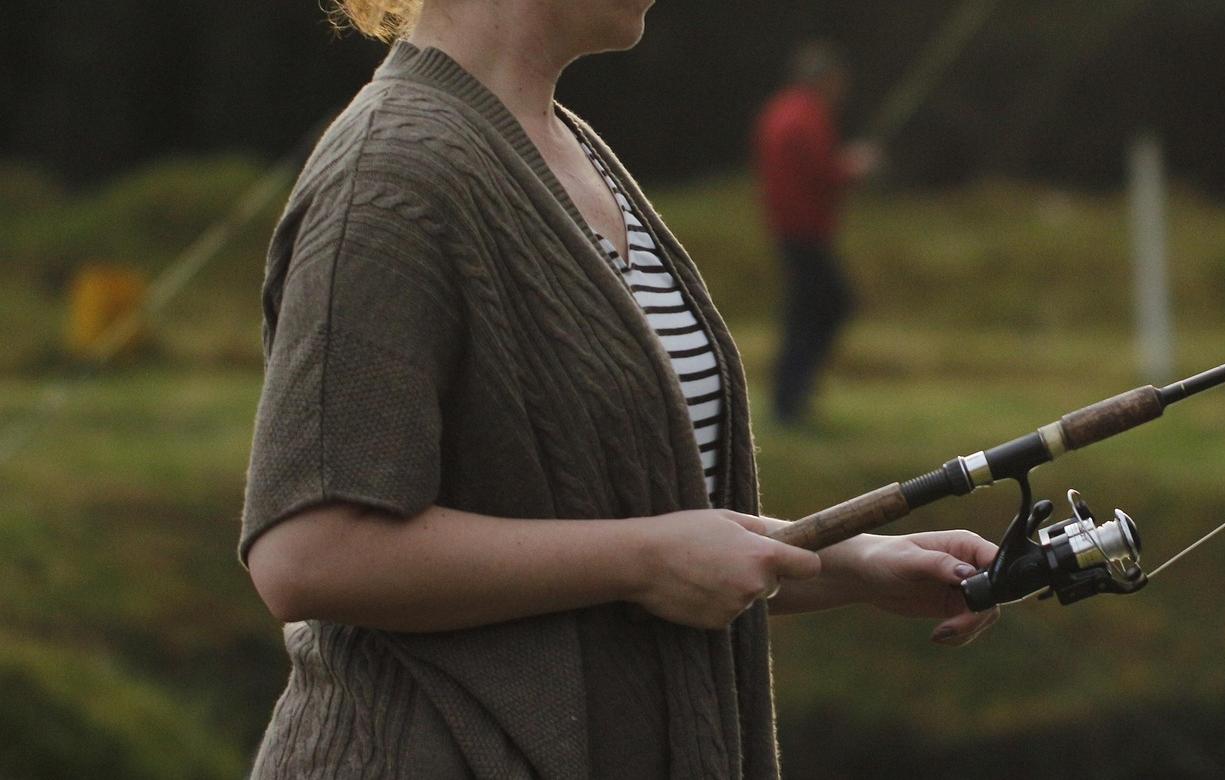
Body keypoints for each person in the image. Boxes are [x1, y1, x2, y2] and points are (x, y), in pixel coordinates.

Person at [239, 1, 998, 776]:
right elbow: (308, 553)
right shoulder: (389, 173)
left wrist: (848, 561)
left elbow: (631, 512)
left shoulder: (569, 144)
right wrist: (641, 559)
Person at [754, 42, 877, 426]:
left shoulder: (780, 110)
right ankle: (790, 398)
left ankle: (793, 394)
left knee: (809, 311)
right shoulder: (806, 117)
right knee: (826, 307)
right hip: (803, 231)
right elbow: (822, 174)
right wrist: (853, 168)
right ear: (823, 79)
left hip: (790, 229)